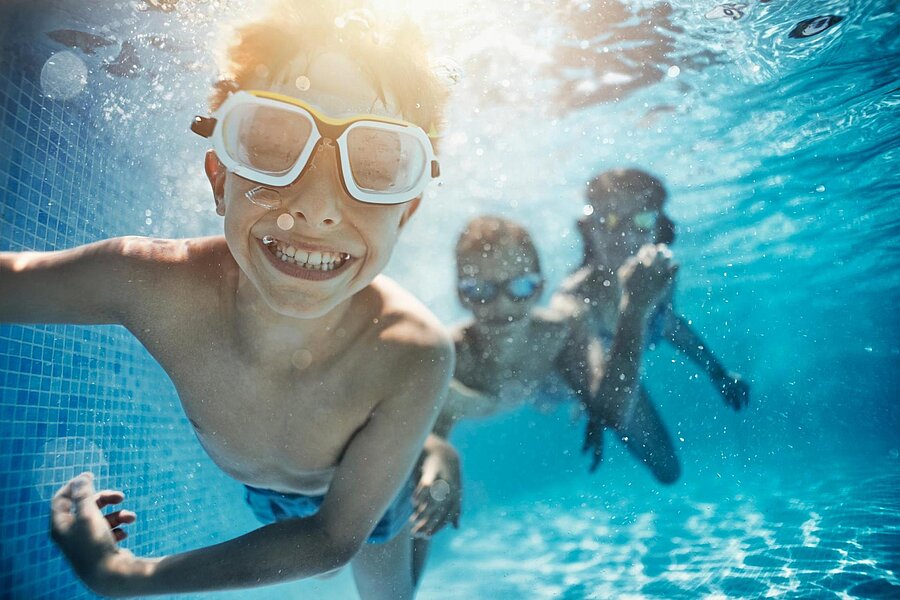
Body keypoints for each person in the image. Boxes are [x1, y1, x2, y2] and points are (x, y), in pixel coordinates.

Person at [0, 3, 454, 598]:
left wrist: (124, 575)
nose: (316, 207)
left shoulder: (411, 351)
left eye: (376, 167)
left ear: (408, 212)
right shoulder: (155, 285)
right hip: (266, 496)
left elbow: (329, 541)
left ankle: (430, 452)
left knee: (386, 594)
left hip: (366, 504)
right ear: (220, 178)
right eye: (270, 145)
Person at [409, 215, 679, 583]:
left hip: (558, 381)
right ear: (460, 294)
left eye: (519, 286)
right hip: (542, 385)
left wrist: (634, 309)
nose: (502, 306)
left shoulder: (559, 332)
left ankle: (588, 389)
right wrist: (437, 468)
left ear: (539, 288)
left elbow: (614, 412)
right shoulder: (451, 358)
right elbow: (422, 440)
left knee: (667, 468)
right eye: (480, 290)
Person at [553, 167, 750, 476]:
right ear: (589, 227)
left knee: (669, 469)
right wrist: (594, 408)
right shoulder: (577, 297)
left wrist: (719, 373)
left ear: (658, 229)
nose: (625, 234)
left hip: (619, 373)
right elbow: (587, 376)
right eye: (610, 219)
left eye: (642, 220)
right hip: (580, 379)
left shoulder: (658, 274)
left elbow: (669, 325)